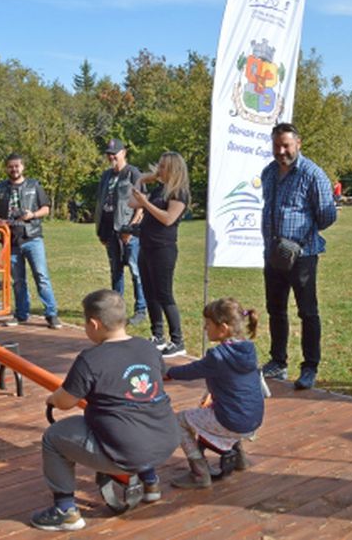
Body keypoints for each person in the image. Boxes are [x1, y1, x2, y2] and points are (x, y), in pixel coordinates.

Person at [31, 289, 178, 531]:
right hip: (166, 441)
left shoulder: (91, 359)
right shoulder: (148, 348)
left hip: (130, 448)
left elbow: (66, 402)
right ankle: (150, 483)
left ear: (94, 324)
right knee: (138, 413)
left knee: (53, 438)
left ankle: (65, 510)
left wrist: (52, 399)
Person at [259, 122, 338, 390]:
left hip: (302, 255)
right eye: (276, 145)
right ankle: (278, 362)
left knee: (307, 312)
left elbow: (328, 215)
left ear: (298, 144)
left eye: (286, 145)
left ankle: (309, 367)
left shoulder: (312, 174)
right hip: (273, 253)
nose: (281, 151)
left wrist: (300, 237)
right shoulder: (269, 172)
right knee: (275, 309)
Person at [165, 297, 264, 489]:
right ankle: (240, 459)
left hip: (232, 421)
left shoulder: (217, 357)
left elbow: (190, 371)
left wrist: (168, 373)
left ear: (223, 328)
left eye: (208, 324)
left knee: (178, 421)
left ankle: (199, 473)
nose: (204, 328)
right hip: (253, 420)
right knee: (218, 404)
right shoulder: (248, 350)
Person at [0, 153, 61, 329]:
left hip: (33, 238)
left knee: (41, 277)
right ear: (6, 168)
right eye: (10, 166)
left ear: (23, 167)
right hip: (10, 240)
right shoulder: (0, 188)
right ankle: (21, 314)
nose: (14, 169)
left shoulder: (34, 185)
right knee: (18, 281)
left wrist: (32, 215)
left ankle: (51, 314)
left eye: (17, 166)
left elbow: (46, 208)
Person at [129, 152, 190, 358]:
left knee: (164, 293)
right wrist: (139, 180)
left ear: (173, 169)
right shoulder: (159, 189)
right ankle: (157, 336)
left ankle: (177, 340)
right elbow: (131, 203)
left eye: (163, 167)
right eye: (159, 166)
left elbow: (168, 219)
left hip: (163, 248)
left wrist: (146, 204)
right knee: (149, 292)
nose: (158, 170)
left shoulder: (179, 192)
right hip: (146, 246)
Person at [94, 139, 146, 326]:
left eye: (115, 153)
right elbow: (100, 203)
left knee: (136, 271)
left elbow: (141, 204)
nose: (111, 156)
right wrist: (100, 231)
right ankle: (117, 311)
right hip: (110, 231)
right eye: (109, 153)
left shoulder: (133, 173)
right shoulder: (106, 175)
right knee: (116, 272)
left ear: (124, 152)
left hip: (128, 231)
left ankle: (140, 310)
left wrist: (131, 228)